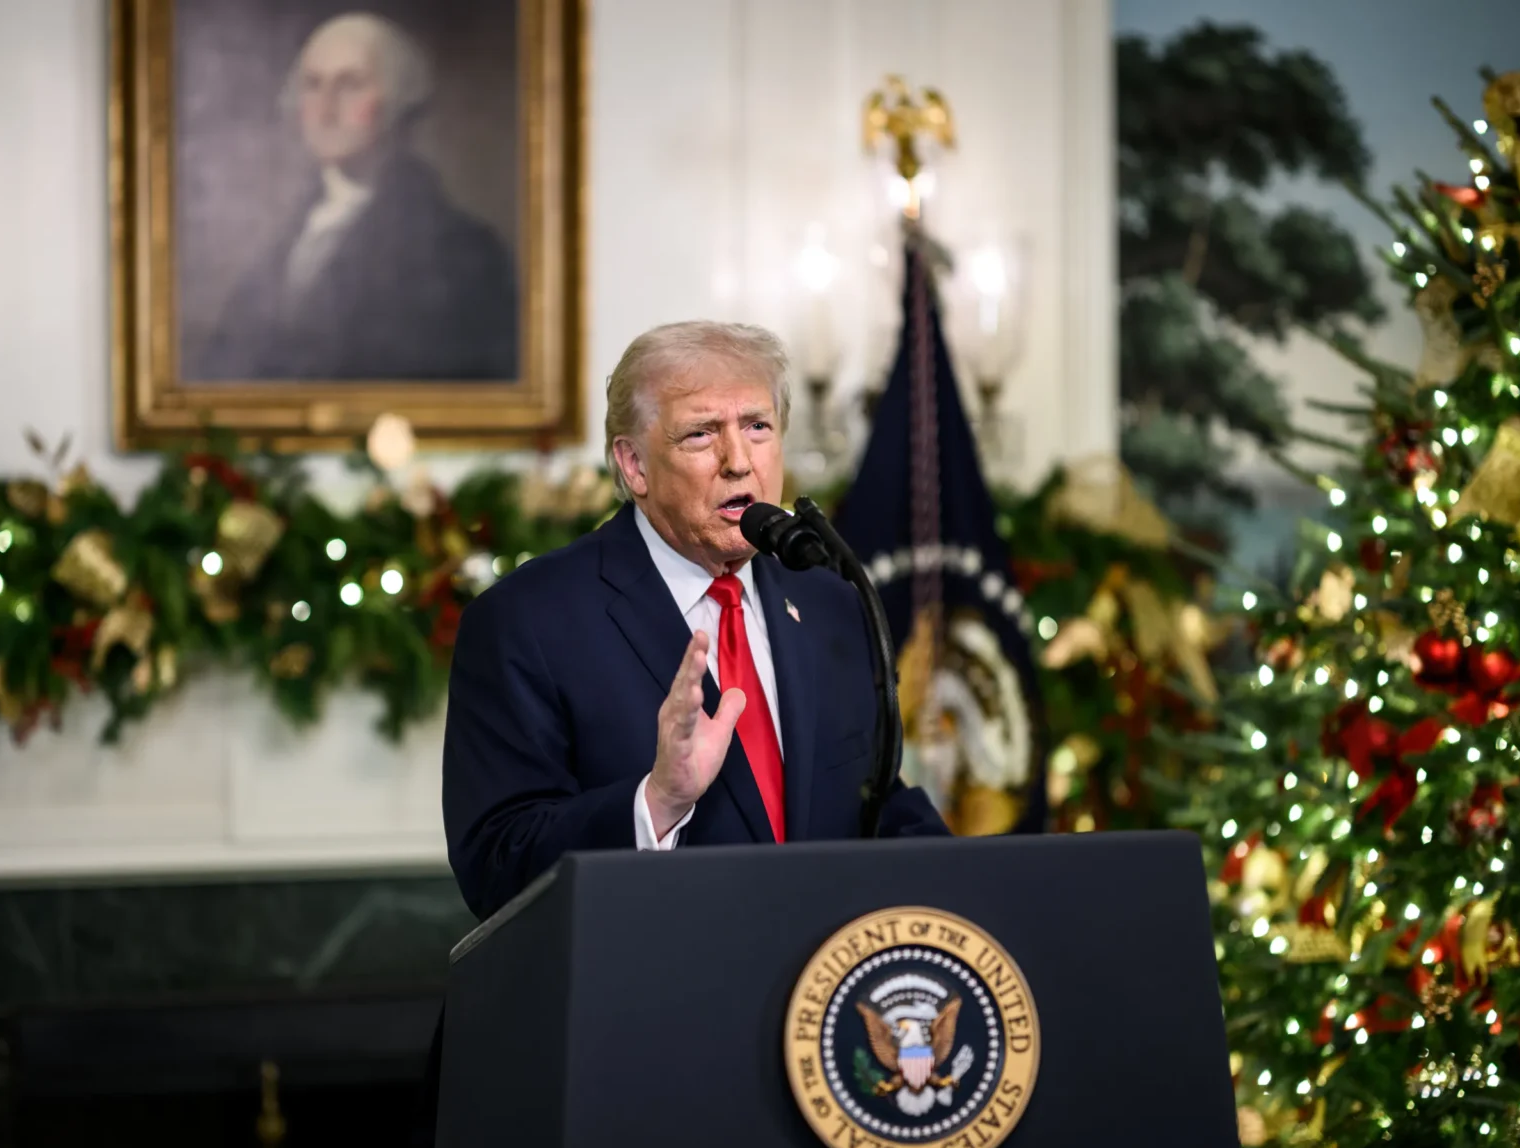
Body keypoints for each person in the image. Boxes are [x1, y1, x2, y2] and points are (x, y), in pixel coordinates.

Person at [441, 320, 950, 920]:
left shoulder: (830, 600)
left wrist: (982, 891)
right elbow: (497, 865)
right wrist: (657, 800)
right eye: (701, 434)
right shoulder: (524, 623)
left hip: (813, 992)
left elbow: (873, 805)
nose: (739, 461)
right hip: (648, 996)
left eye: (757, 426)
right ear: (634, 467)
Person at [191, 12, 518, 383]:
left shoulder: (465, 252)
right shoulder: (288, 240)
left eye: (351, 85)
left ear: (397, 100)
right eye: (312, 85)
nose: (326, 109)